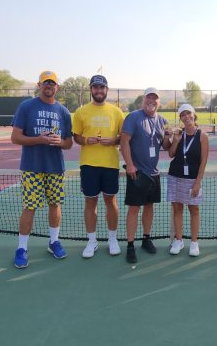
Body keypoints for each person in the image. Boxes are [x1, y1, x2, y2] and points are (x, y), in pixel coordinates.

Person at [10, 71, 73, 269]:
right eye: (45, 82)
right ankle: (21, 248)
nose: (49, 86)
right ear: (39, 85)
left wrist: (59, 142)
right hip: (32, 167)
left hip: (55, 167)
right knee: (30, 207)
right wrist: (40, 139)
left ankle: (53, 242)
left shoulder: (63, 111)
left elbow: (69, 143)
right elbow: (15, 137)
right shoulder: (26, 106)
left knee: (55, 205)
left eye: (52, 83)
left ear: (57, 87)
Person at [72, 75, 124, 258]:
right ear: (91, 90)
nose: (99, 91)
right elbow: (76, 136)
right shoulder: (81, 112)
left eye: (102, 87)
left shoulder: (117, 112)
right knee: (90, 202)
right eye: (95, 87)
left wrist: (113, 141)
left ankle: (112, 239)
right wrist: (86, 140)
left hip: (110, 164)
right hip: (89, 165)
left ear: (107, 90)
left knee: (111, 201)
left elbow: (123, 137)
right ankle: (92, 241)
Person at [120, 88, 171, 264]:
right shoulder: (133, 117)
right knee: (134, 209)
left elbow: (164, 144)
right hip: (137, 172)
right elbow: (124, 141)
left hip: (153, 173)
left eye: (155, 98)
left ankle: (146, 239)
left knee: (149, 207)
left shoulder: (162, 121)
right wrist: (130, 165)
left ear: (159, 102)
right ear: (143, 100)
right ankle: (130, 245)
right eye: (149, 97)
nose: (151, 101)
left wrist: (172, 137)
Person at [166, 104, 209, 257]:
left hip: (193, 179)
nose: (186, 117)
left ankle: (194, 242)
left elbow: (203, 161)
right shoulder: (179, 134)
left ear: (194, 115)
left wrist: (198, 182)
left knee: (194, 210)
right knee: (177, 209)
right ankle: (179, 240)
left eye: (188, 113)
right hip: (175, 177)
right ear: (180, 118)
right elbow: (171, 154)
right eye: (183, 114)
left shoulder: (202, 136)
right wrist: (176, 140)